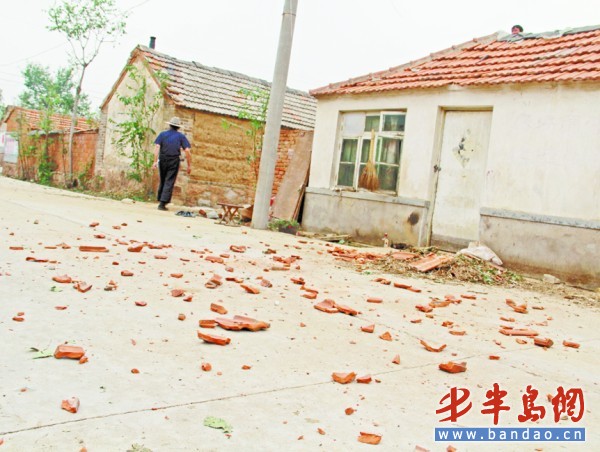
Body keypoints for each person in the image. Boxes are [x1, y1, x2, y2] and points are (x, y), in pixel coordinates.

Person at [152, 116, 192, 211]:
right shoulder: (181, 137)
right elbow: (187, 151)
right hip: (173, 160)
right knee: (169, 180)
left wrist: (155, 161)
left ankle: (160, 199)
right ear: (178, 127)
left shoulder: (162, 134)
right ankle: (162, 203)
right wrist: (189, 165)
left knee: (163, 179)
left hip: (163, 159)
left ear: (170, 125)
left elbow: (157, 147)